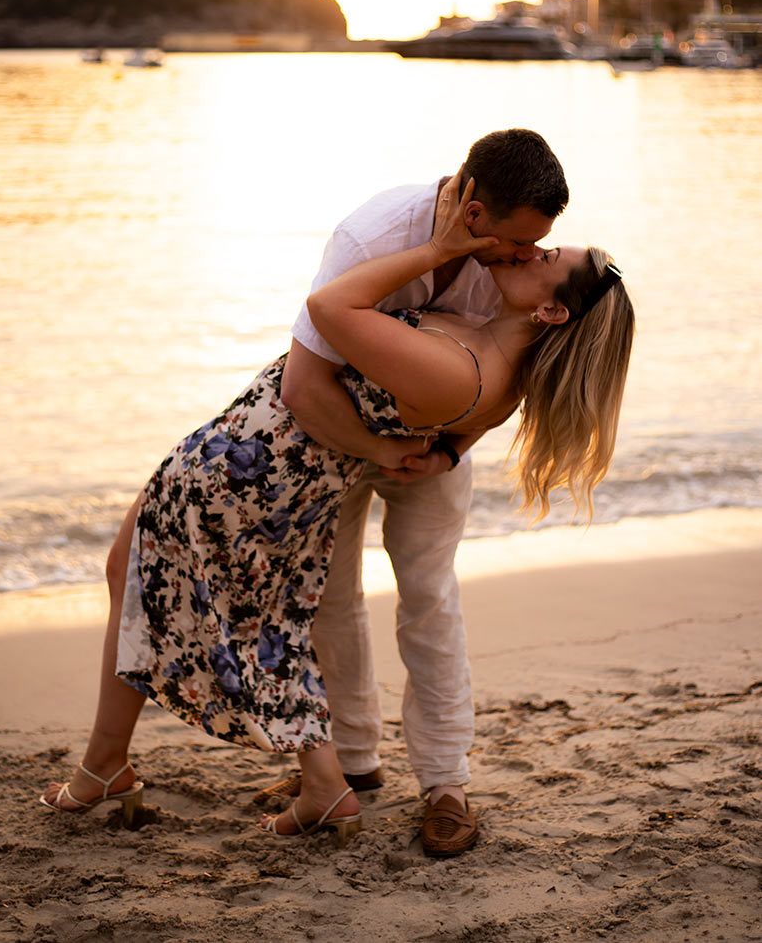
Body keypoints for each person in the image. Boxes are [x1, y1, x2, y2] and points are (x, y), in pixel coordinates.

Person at [40, 163, 634, 855]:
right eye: (532, 243)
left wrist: (438, 255)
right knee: (208, 598)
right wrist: (444, 448)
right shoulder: (490, 344)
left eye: (547, 256)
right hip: (271, 456)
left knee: (209, 602)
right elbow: (471, 401)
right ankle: (275, 772)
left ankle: (141, 769)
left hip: (256, 462)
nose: (530, 252)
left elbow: (327, 310)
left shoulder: (465, 357)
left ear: (552, 310)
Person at [269, 128, 571, 854]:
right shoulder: (370, 237)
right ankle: (353, 762)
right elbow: (301, 384)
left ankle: (445, 780)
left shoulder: (514, 263)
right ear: (472, 214)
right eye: (515, 245)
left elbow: (505, 376)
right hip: (334, 431)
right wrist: (376, 448)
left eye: (539, 245)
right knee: (330, 595)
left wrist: (446, 450)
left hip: (434, 444)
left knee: (429, 594)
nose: (527, 258)